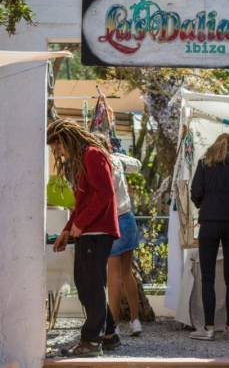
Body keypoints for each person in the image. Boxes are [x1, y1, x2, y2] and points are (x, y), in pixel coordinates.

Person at [48, 118, 121, 357]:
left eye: (57, 146)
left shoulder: (92, 154)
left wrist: (79, 224)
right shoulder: (86, 159)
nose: (57, 153)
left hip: (97, 232)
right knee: (87, 284)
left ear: (66, 140)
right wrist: (68, 229)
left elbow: (105, 194)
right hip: (89, 232)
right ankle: (108, 334)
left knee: (90, 286)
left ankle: (91, 342)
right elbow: (83, 202)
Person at [189, 133, 229, 341]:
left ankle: (209, 327)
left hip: (209, 222)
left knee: (208, 277)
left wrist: (205, 204)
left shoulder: (205, 164)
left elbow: (195, 192)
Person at [94, 133, 143, 337]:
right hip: (128, 218)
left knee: (112, 275)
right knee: (126, 273)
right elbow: (138, 164)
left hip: (113, 220)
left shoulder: (101, 164)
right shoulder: (118, 161)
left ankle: (112, 326)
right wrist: (119, 154)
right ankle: (135, 320)